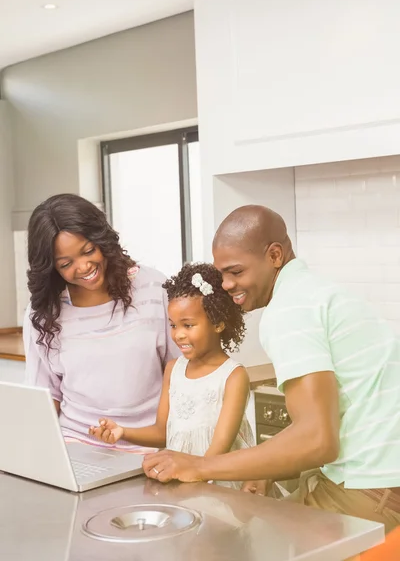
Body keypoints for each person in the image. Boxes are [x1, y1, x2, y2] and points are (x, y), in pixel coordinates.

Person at [143, 205, 400, 532]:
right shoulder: (314, 292)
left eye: (236, 272)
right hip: (383, 484)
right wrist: (266, 467)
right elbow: (324, 426)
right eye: (222, 274)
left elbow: (317, 440)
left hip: (368, 492)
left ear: (275, 255)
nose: (225, 285)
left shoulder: (288, 311)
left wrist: (200, 465)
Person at [24, 193, 179, 447]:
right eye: (66, 264)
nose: (84, 267)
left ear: (102, 241)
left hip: (150, 445)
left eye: (88, 251)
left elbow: (181, 373)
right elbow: (45, 397)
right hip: (75, 445)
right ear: (52, 268)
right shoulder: (43, 313)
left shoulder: (152, 288)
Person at [90, 262, 255, 488]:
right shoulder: (173, 370)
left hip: (219, 485)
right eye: (173, 325)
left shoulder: (233, 376)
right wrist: (122, 431)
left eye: (188, 325)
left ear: (218, 323)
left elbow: (218, 451)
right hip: (182, 481)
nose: (178, 335)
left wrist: (189, 474)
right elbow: (162, 432)